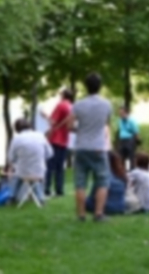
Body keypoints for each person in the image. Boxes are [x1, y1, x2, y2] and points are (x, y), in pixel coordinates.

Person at [57, 73, 112, 222]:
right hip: (99, 147)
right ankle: (98, 214)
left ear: (85, 86)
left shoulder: (78, 105)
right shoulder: (106, 104)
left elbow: (69, 126)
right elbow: (106, 123)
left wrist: (80, 129)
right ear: (100, 86)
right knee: (102, 181)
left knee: (80, 182)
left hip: (81, 147)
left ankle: (81, 215)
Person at [8, 118, 53, 204]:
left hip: (23, 172)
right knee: (36, 178)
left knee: (17, 176)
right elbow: (50, 153)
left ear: (17, 129)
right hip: (39, 170)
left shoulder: (16, 139)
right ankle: (40, 198)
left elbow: (11, 157)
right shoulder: (40, 136)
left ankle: (12, 196)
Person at [44, 89, 74, 197]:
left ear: (63, 95)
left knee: (50, 165)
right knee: (60, 166)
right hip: (65, 140)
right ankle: (59, 190)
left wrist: (44, 115)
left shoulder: (60, 105)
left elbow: (53, 121)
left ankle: (46, 189)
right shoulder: (71, 107)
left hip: (55, 138)